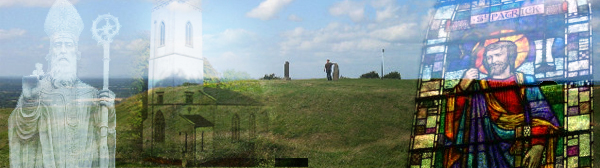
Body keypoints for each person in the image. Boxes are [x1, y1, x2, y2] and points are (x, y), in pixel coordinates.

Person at [8, 0, 116, 167]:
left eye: (69, 44)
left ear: (77, 53)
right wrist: (29, 103)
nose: (63, 50)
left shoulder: (91, 95)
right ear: (51, 52)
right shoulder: (37, 91)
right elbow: (23, 132)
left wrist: (109, 111)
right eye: (58, 45)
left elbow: (102, 135)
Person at [444, 41, 560, 168]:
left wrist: (538, 146)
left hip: (521, 150)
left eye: (497, 55)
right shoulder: (477, 86)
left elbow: (542, 116)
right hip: (483, 153)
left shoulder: (526, 81)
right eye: (489, 57)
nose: (492, 61)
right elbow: (456, 120)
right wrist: (461, 88)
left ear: (510, 57)